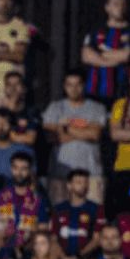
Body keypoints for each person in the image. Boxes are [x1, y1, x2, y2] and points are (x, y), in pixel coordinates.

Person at [43, 72, 109, 203]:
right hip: (61, 174)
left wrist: (66, 129)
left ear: (84, 86)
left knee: (94, 218)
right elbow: (53, 137)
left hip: (91, 173)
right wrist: (85, 131)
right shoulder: (55, 107)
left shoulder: (97, 108)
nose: (74, 89)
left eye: (78, 84)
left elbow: (95, 135)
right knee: (60, 217)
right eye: (69, 85)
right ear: (64, 86)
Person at [82, 0, 130, 106]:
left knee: (117, 122)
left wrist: (101, 54)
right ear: (107, 7)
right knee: (96, 122)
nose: (120, 7)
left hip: (123, 93)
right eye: (115, 4)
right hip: (95, 92)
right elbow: (86, 56)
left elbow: (128, 55)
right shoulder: (96, 30)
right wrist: (116, 59)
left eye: (123, 4)